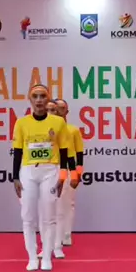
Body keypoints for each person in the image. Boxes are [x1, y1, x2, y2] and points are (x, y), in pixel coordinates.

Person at [12, 85, 78, 271]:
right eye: (35, 96)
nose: (39, 100)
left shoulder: (58, 123)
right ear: (30, 99)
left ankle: (47, 256)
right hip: (28, 171)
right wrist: (15, 177)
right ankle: (32, 257)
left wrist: (63, 175)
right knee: (28, 216)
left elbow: (64, 151)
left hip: (50, 170)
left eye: (42, 96)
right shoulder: (21, 123)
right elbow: (17, 151)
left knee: (49, 215)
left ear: (48, 99)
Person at [53, 99, 84, 249]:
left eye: (62, 108)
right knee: (54, 203)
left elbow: (79, 152)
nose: (59, 111)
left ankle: (66, 234)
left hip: (69, 168)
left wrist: (78, 173)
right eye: (56, 108)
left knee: (68, 203)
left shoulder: (73, 130)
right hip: (52, 168)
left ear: (67, 111)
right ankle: (54, 235)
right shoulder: (50, 130)